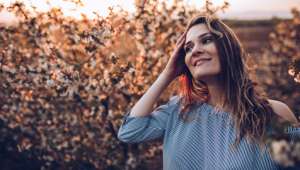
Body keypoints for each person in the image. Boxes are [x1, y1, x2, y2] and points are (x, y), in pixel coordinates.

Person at [117, 15, 300, 169]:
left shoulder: (275, 113)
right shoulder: (178, 111)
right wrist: (167, 73)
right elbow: (129, 131)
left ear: (229, 50)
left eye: (206, 40)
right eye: (188, 48)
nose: (195, 50)